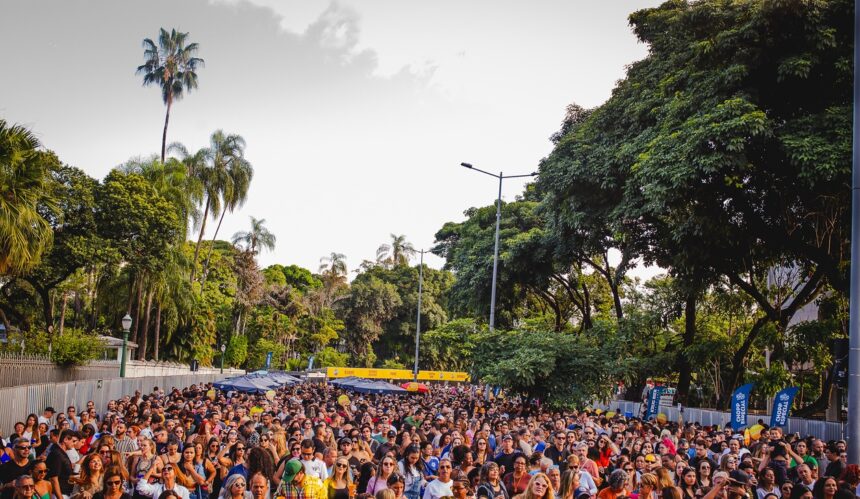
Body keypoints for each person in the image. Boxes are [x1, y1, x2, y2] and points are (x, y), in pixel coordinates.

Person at [47, 430, 78, 499]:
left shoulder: (61, 453)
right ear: (65, 439)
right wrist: (60, 497)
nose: (74, 444)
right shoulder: (57, 454)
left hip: (64, 493)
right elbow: (53, 479)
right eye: (73, 441)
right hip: (58, 494)